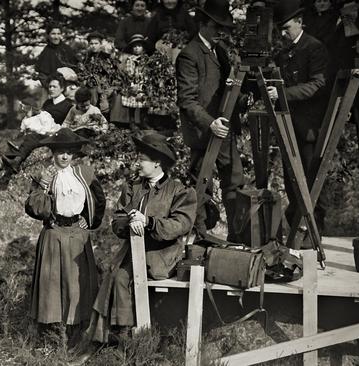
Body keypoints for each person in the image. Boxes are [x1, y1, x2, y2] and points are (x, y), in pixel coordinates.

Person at [86, 131, 196, 344]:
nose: (138, 163)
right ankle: (123, 335)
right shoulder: (132, 187)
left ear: (157, 163)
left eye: (142, 160)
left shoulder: (179, 191)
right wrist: (129, 223)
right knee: (118, 277)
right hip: (132, 253)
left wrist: (149, 222)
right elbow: (117, 220)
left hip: (162, 256)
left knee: (144, 285)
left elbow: (181, 224)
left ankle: (160, 338)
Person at [25, 127, 106, 349]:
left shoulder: (84, 174)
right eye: (60, 152)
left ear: (74, 155)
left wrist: (89, 222)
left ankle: (76, 336)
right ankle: (50, 338)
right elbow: (33, 208)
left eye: (68, 153)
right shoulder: (45, 176)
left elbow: (99, 200)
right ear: (53, 153)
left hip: (78, 235)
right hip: (54, 234)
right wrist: (42, 184)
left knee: (76, 285)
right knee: (51, 285)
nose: (64, 157)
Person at [175, 0, 245, 240]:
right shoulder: (189, 55)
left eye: (224, 28)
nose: (221, 33)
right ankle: (200, 238)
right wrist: (210, 123)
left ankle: (237, 238)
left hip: (224, 130)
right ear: (203, 25)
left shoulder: (221, 50)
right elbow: (187, 100)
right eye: (216, 27)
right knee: (200, 188)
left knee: (234, 182)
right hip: (203, 133)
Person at [270, 0, 329, 237]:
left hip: (308, 127)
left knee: (310, 178)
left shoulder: (314, 48)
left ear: (300, 22)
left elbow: (318, 84)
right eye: (281, 30)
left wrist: (283, 93)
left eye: (287, 28)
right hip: (288, 126)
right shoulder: (284, 53)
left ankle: (315, 231)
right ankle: (296, 229)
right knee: (290, 178)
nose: (283, 34)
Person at [35, 24, 79, 90]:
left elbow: (77, 69)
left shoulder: (67, 49)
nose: (56, 37)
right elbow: (42, 76)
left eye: (58, 34)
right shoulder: (45, 52)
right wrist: (51, 87)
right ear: (48, 35)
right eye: (53, 34)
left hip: (69, 87)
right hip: (53, 89)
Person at [120, 34, 148, 131]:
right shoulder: (130, 59)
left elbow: (147, 71)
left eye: (139, 46)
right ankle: (132, 123)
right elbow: (129, 73)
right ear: (132, 48)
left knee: (143, 105)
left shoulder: (146, 59)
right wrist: (132, 84)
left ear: (143, 48)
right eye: (134, 46)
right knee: (132, 105)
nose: (137, 48)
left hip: (143, 83)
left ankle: (143, 122)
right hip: (133, 84)